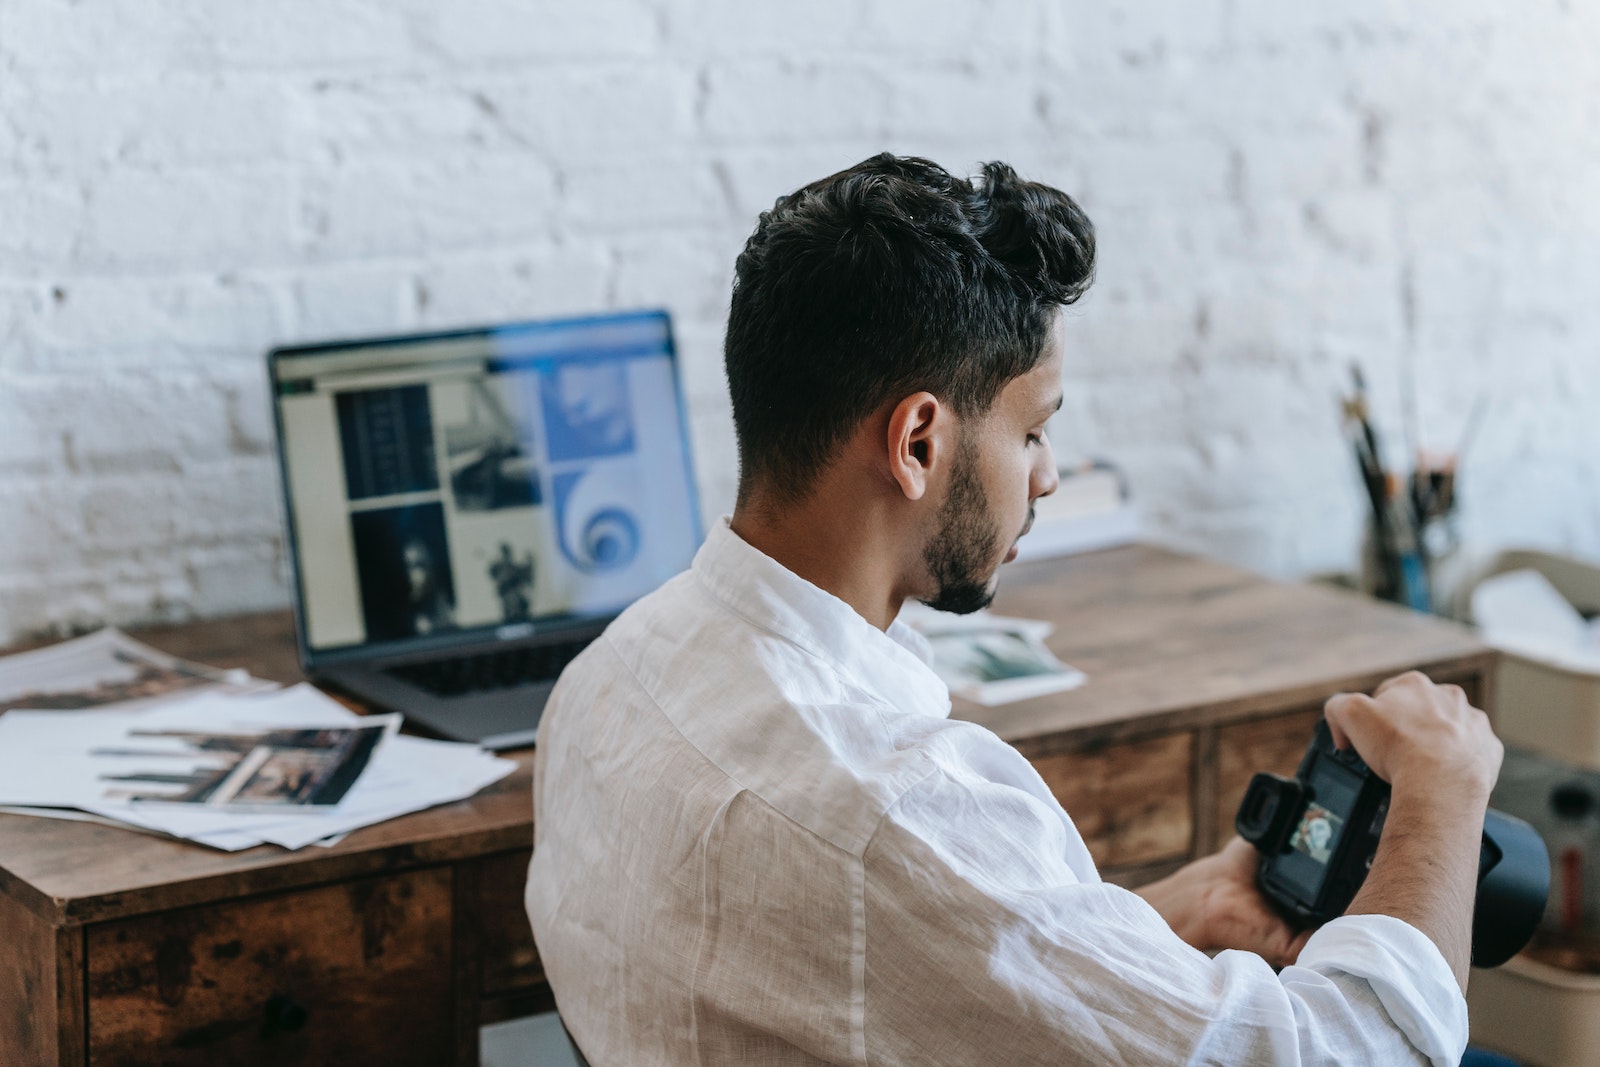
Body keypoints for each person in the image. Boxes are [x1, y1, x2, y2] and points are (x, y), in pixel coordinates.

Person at [525, 154, 1503, 1065]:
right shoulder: (900, 810)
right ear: (917, 441)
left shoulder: (612, 674)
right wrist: (1441, 791)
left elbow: (887, 970)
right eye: (1031, 429)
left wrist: (1165, 914)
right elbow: (1351, 1048)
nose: (1046, 473)